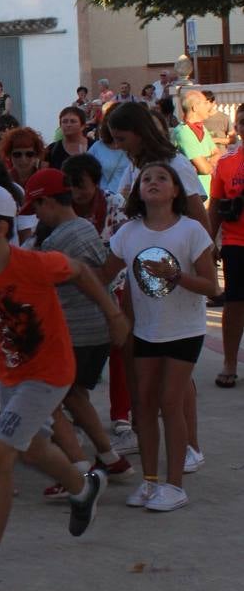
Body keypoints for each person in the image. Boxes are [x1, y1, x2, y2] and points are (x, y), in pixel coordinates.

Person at [0, 182, 126, 591]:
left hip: (51, 372)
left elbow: (80, 270)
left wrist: (112, 313)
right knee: (29, 447)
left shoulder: (34, 265)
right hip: (11, 374)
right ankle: (84, 488)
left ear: (1, 228)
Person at [103, 163, 216, 512]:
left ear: (176, 190)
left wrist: (174, 275)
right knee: (144, 407)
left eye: (161, 178)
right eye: (146, 179)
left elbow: (211, 285)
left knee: (170, 402)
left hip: (185, 329)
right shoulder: (128, 233)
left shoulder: (192, 231)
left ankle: (175, 485)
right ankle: (150, 483)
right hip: (145, 330)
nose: (152, 183)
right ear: (137, 191)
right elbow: (103, 274)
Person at [24, 170, 133, 493]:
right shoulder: (84, 226)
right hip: (95, 329)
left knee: (48, 401)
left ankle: (79, 471)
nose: (37, 215)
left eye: (37, 207)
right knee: (74, 396)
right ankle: (111, 458)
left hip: (74, 331)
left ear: (48, 202)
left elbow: (35, 280)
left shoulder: (59, 239)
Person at [105, 103, 208, 229]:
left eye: (121, 139)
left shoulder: (176, 164)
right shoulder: (135, 165)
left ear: (140, 133)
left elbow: (199, 219)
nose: (117, 146)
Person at [209, 107, 244, 389]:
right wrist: (210, 240)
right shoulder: (227, 161)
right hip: (236, 242)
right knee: (235, 303)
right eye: (242, 121)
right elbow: (216, 206)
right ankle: (229, 362)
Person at [174, 90, 218, 196]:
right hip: (193, 197)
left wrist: (207, 162)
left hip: (207, 194)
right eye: (205, 103)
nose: (210, 106)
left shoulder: (202, 128)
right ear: (195, 108)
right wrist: (210, 163)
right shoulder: (183, 132)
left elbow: (217, 152)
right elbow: (204, 169)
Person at [45, 107, 89, 172]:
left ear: (82, 126)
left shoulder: (95, 147)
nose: (68, 125)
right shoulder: (51, 150)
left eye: (73, 121)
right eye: (64, 121)